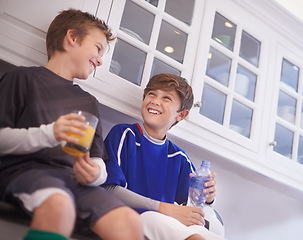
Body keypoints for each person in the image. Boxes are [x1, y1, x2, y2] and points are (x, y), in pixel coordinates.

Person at [0, 9, 142, 240]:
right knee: (59, 206)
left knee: (130, 223)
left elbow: (97, 160)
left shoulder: (89, 102)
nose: (100, 59)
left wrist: (94, 174)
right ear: (72, 38)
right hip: (26, 172)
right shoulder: (21, 79)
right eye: (97, 48)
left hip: (76, 183)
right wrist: (50, 133)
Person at [102, 73, 225, 240]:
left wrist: (208, 198)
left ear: (181, 115)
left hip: (164, 226)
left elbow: (192, 205)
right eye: (151, 94)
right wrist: (163, 208)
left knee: (215, 229)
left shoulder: (179, 158)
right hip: (134, 220)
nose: (155, 100)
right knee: (152, 217)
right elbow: (109, 188)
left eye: (166, 98)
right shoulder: (125, 134)